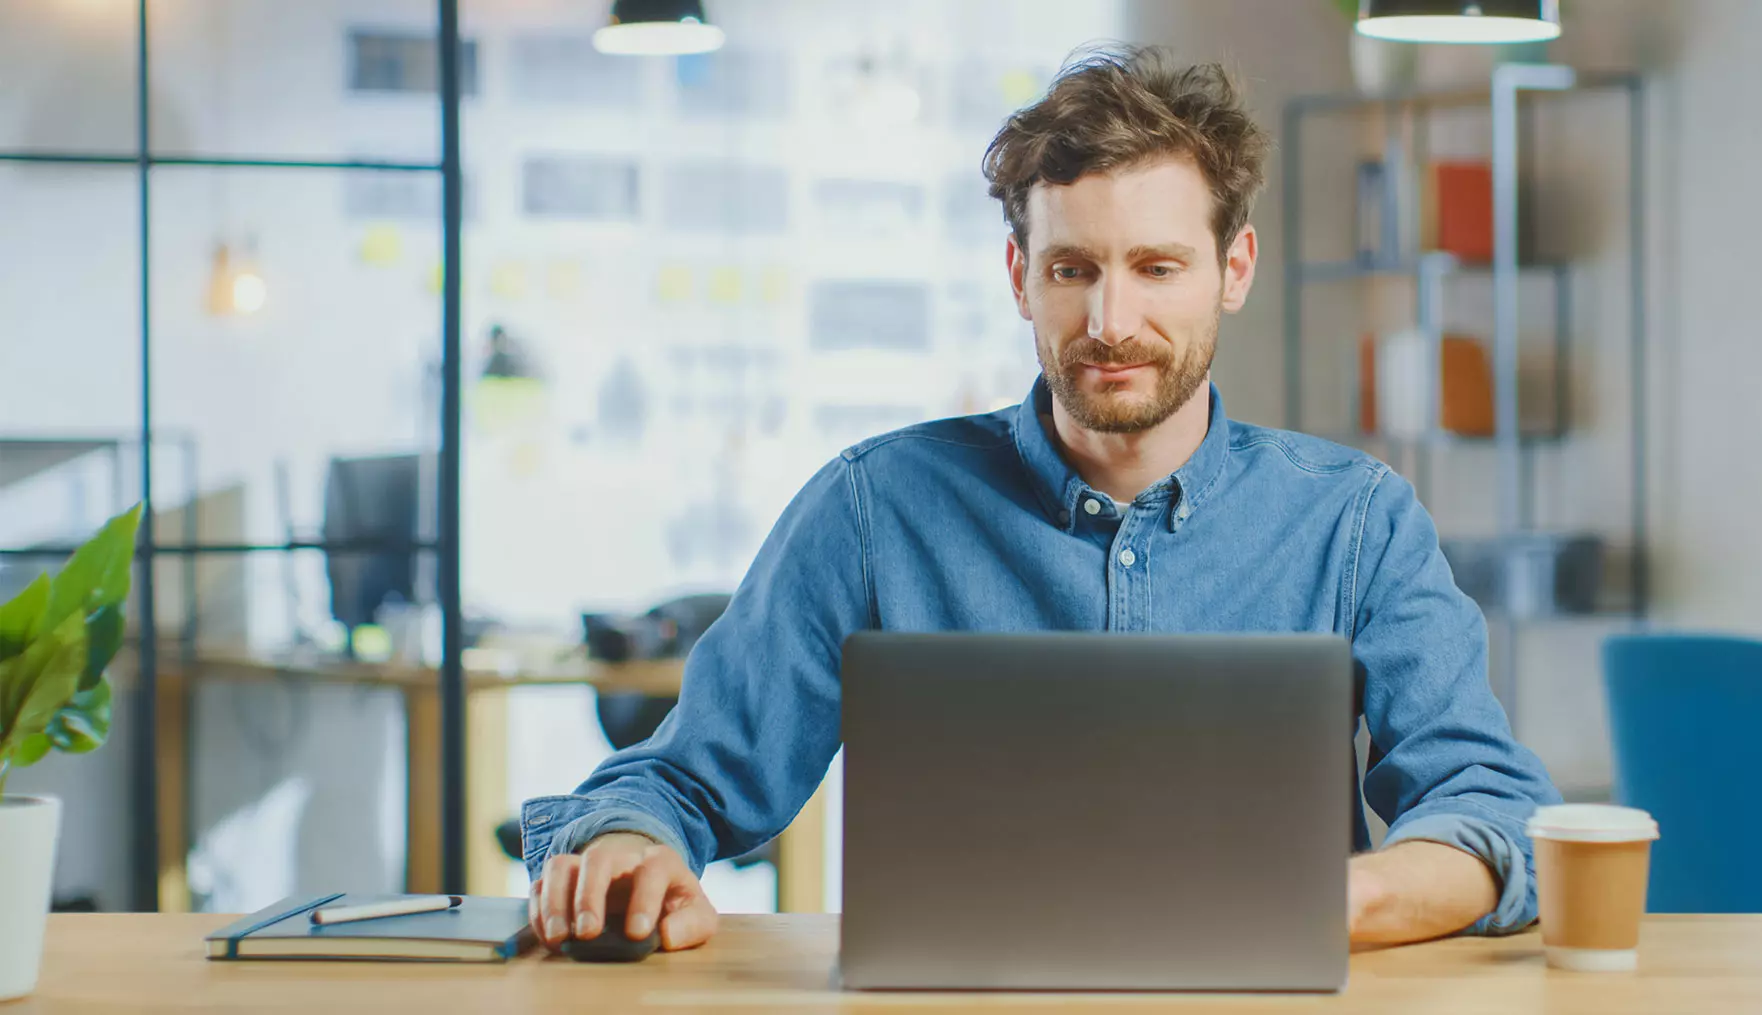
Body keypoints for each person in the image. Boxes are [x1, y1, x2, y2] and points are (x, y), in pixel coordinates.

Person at [523, 44, 1561, 955]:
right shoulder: (873, 507)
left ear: (1231, 269)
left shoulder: (1356, 521)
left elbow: (1489, 808)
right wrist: (628, 849)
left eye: (1157, 267)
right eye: (1073, 268)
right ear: (1019, 274)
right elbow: (681, 778)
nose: (1111, 319)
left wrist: (1344, 897)